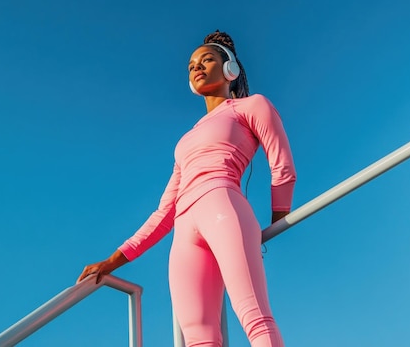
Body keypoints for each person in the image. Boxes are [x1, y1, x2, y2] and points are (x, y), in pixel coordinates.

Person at [77, 30, 296, 347]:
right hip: (184, 233)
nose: (197, 67)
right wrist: (113, 260)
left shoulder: (251, 106)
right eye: (192, 64)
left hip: (223, 207)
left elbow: (282, 166)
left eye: (207, 59)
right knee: (197, 338)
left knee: (254, 315)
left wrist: (279, 220)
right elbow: (164, 213)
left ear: (230, 69)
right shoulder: (187, 140)